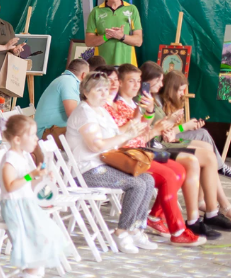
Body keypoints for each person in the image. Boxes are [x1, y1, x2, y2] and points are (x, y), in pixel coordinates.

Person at [104, 64, 204, 246]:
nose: (136, 85)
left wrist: (154, 117)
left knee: (180, 170)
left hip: (140, 151)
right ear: (120, 83)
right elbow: (129, 139)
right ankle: (178, 230)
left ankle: (155, 217)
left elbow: (142, 133)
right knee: (169, 175)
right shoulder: (115, 107)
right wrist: (156, 127)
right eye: (131, 81)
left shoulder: (134, 104)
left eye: (138, 81)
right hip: (127, 156)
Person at [139, 64, 231, 235]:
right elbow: (150, 132)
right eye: (158, 80)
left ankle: (210, 212)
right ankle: (203, 215)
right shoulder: (147, 100)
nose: (161, 84)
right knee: (202, 154)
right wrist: (175, 126)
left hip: (162, 142)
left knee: (206, 149)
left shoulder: (151, 99)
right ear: (147, 81)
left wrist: (171, 125)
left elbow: (159, 128)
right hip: (157, 146)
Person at [65, 71, 155, 254]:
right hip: (86, 170)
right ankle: (122, 232)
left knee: (147, 180)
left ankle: (136, 229)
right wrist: (126, 135)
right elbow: (95, 146)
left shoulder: (101, 110)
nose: (104, 93)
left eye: (106, 89)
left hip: (105, 164)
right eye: (99, 90)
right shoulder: (84, 112)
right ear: (86, 91)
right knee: (136, 184)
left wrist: (133, 129)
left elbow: (117, 139)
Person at [0, 115, 69, 278]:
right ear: (18, 139)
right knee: (35, 241)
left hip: (27, 204)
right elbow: (11, 185)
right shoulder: (10, 158)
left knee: (46, 237)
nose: (36, 138)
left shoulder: (22, 155)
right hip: (15, 207)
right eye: (32, 135)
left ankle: (34, 276)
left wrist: (42, 177)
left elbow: (27, 184)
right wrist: (31, 175)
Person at [160, 70, 231, 182]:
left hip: (175, 137)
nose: (182, 93)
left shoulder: (175, 102)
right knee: (203, 134)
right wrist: (185, 127)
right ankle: (220, 166)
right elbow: (166, 133)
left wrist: (191, 126)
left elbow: (178, 128)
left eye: (183, 90)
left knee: (202, 133)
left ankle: (219, 167)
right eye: (179, 90)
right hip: (166, 142)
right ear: (170, 88)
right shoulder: (161, 105)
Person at [85, 0, 142, 66]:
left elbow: (138, 41)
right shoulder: (96, 11)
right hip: (102, 68)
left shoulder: (132, 9)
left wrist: (121, 36)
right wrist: (106, 36)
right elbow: (88, 42)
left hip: (127, 68)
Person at [34, 59, 89, 140]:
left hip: (49, 130)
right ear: (84, 75)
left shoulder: (65, 79)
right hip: (46, 132)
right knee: (89, 138)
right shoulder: (69, 81)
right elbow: (72, 114)